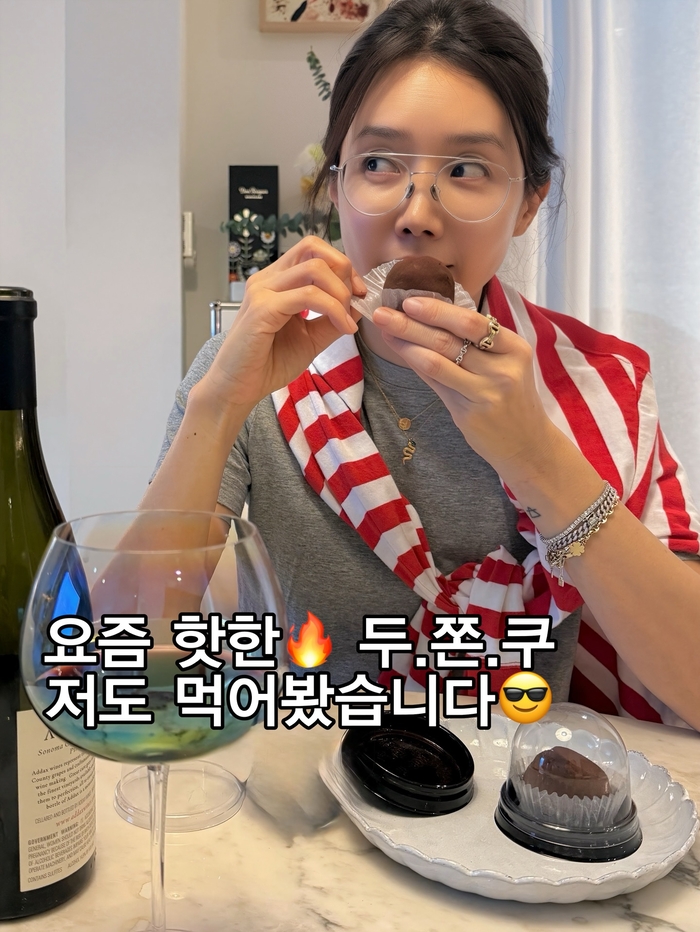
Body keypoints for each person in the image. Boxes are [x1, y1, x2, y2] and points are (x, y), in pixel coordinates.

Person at [145, 0, 700, 729]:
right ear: (336, 185)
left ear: (528, 203)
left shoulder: (602, 384)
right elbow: (129, 640)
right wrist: (219, 404)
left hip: (523, 787)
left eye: (467, 169)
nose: (417, 215)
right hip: (302, 786)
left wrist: (536, 455)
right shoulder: (258, 366)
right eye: (379, 164)